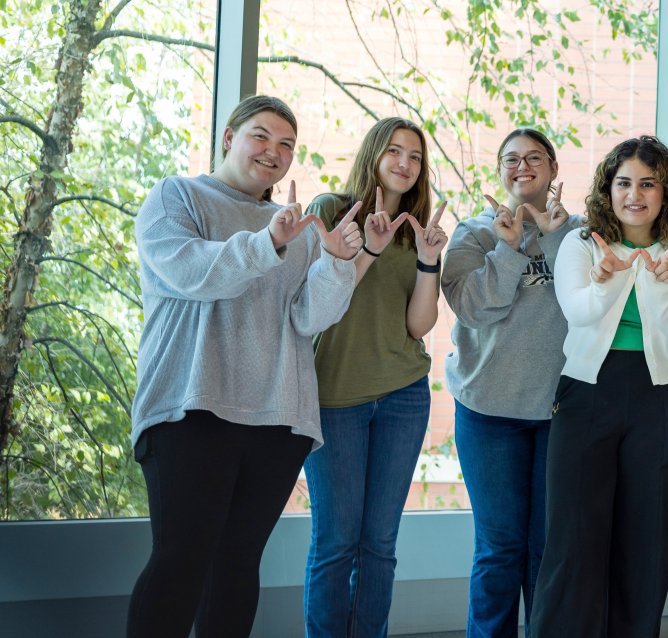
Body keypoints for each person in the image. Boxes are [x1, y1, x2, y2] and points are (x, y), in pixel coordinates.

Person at [128, 95, 361, 637]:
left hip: (278, 418)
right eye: (261, 136)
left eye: (286, 145)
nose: (273, 151)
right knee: (180, 561)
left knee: (236, 567)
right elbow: (191, 273)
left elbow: (309, 319)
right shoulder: (177, 196)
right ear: (230, 137)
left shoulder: (295, 229)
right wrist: (268, 243)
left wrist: (339, 263)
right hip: (191, 406)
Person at [528, 135, 668, 637]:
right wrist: (608, 278)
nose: (635, 194)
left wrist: (658, 281)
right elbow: (579, 312)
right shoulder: (580, 245)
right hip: (586, 394)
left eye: (648, 184)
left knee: (645, 543)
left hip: (661, 400)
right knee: (572, 542)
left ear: (666, 192)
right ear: (608, 190)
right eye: (623, 183)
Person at [302, 116, 449, 637]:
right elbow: (316, 305)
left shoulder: (417, 232)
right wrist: (367, 250)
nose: (404, 164)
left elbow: (417, 326)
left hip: (403, 397)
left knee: (379, 544)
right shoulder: (330, 211)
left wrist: (429, 262)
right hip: (333, 396)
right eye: (394, 151)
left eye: (414, 156)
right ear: (373, 155)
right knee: (336, 542)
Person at [443, 127, 579, 637]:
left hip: (556, 414)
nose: (523, 166)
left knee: (547, 549)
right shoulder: (474, 233)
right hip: (488, 413)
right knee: (499, 547)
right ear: (499, 170)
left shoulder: (577, 233)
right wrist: (511, 247)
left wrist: (551, 235)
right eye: (511, 159)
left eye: (535, 157)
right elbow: (475, 307)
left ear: (553, 168)